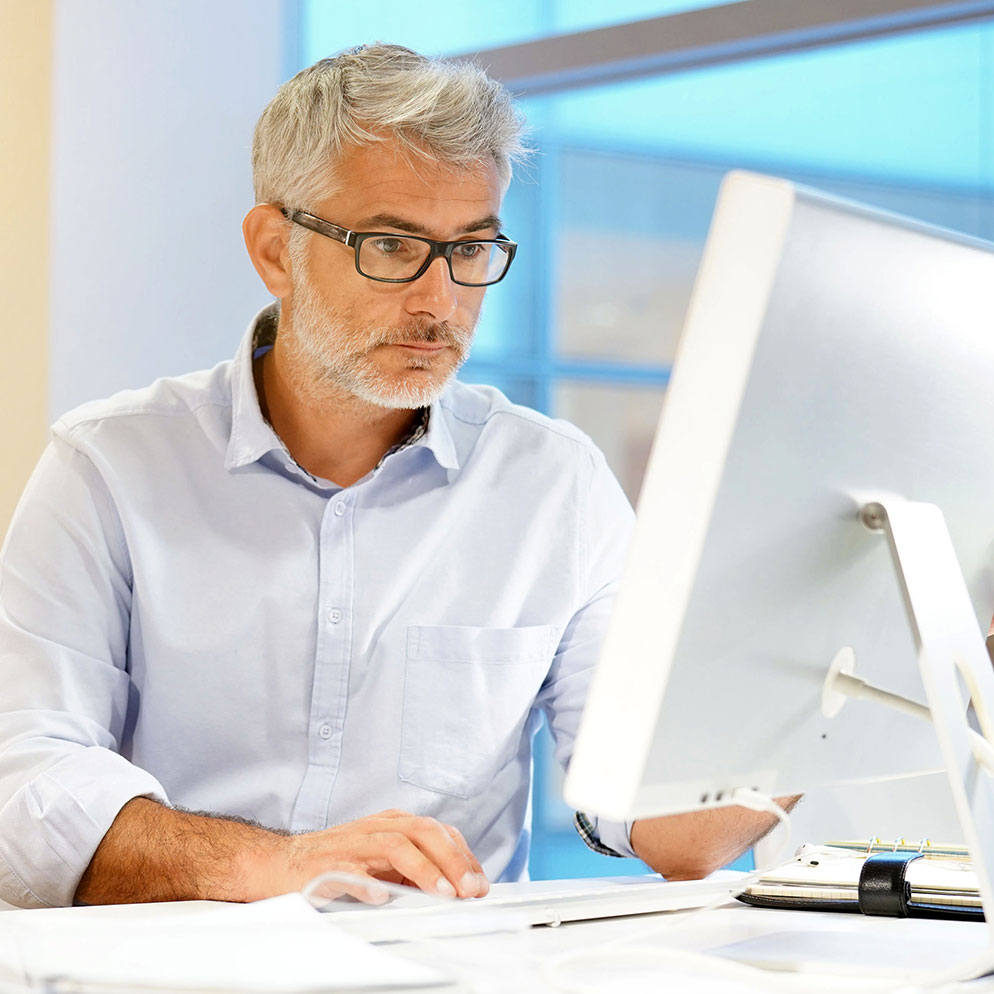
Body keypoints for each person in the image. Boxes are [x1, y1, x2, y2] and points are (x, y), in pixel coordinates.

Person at [0, 44, 785, 910]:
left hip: (444, 971)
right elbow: (23, 786)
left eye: (471, 249)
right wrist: (279, 865)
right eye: (392, 246)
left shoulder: (554, 485)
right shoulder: (108, 468)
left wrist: (821, 686)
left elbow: (664, 817)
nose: (440, 302)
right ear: (274, 249)